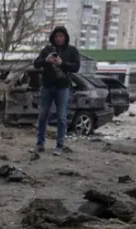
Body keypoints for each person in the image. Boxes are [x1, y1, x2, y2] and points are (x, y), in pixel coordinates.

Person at [32, 26, 80, 156]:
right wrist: (45, 60)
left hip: (62, 87)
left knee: (61, 117)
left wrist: (62, 63)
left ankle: (59, 145)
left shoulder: (72, 50)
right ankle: (40, 144)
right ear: (53, 37)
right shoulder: (47, 49)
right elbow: (36, 63)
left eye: (61, 36)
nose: (59, 38)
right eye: (57, 36)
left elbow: (76, 67)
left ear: (65, 37)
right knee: (43, 115)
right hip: (47, 87)